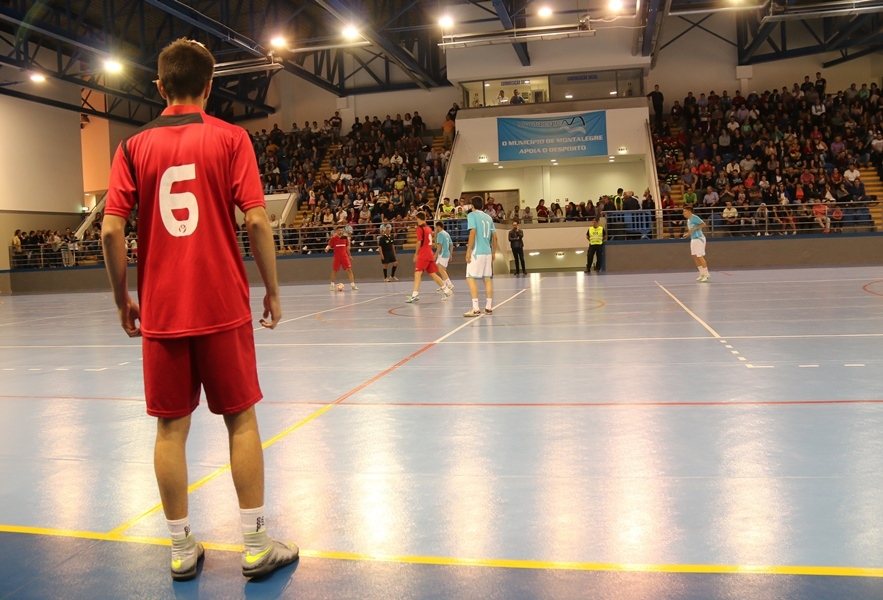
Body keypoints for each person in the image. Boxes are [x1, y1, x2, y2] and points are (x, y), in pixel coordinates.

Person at [101, 39, 298, 582]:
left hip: (163, 312)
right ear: (209, 87)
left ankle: (181, 547)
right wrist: (272, 290)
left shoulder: (133, 147)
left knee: (170, 430)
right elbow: (258, 222)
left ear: (160, 87)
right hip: (221, 305)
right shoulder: (232, 139)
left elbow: (111, 229)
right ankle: (256, 545)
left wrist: (123, 298)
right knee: (240, 420)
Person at [464, 196, 497, 317]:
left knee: (470, 278)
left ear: (472, 205)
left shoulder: (472, 215)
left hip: (477, 252)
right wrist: (493, 252)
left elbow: (473, 232)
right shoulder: (488, 217)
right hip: (487, 252)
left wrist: (468, 251)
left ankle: (476, 308)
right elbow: (495, 237)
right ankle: (488, 307)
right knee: (487, 278)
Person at [406, 212, 450, 302]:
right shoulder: (428, 228)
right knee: (433, 274)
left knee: (417, 273)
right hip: (429, 252)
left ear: (418, 218)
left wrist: (416, 254)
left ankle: (415, 294)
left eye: (416, 218)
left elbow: (419, 242)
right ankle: (446, 289)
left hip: (423, 253)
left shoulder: (420, 228)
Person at [325, 224, 359, 290]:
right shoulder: (333, 239)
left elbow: (347, 248)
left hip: (344, 257)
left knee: (349, 270)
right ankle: (332, 285)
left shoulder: (345, 238)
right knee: (334, 271)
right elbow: (329, 245)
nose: (340, 232)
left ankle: (353, 285)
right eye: (339, 230)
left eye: (341, 230)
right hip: (337, 257)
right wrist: (327, 248)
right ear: (336, 231)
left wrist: (349, 255)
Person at [682, 205, 709, 282]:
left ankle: (707, 274)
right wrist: (688, 234)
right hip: (693, 239)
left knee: (700, 256)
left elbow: (704, 224)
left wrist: (695, 228)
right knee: (694, 256)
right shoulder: (688, 220)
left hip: (699, 239)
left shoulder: (694, 217)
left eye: (684, 211)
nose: (683, 213)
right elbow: (691, 229)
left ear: (689, 211)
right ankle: (702, 273)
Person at [434, 221, 455, 293]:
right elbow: (451, 245)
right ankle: (444, 285)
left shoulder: (440, 234)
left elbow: (439, 245)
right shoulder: (447, 234)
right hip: (447, 254)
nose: (436, 229)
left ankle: (449, 284)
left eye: (436, 227)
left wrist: (435, 254)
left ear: (438, 227)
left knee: (440, 270)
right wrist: (451, 254)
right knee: (444, 270)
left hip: (442, 254)